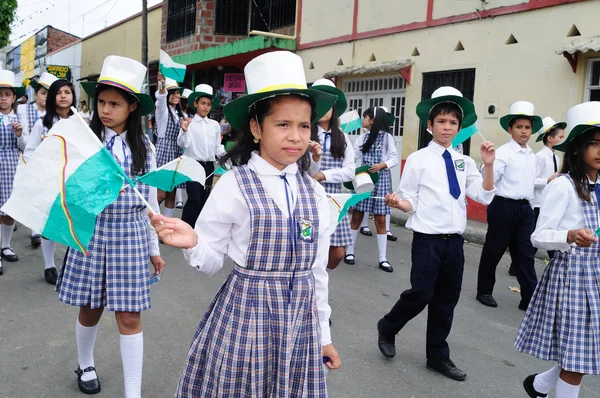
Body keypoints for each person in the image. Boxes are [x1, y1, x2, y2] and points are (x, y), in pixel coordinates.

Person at [150, 50, 341, 397]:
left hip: (299, 326)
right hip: (246, 318)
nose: (296, 137)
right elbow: (211, 261)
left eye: (303, 125)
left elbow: (317, 272)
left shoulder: (314, 192)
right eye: (282, 124)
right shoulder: (235, 184)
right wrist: (192, 242)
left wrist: (323, 337)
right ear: (256, 127)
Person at [56, 56, 164, 397]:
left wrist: (154, 248)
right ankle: (85, 362)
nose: (106, 109)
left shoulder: (145, 147)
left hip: (131, 233)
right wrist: (99, 187)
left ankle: (133, 392)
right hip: (94, 230)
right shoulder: (86, 140)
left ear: (132, 107)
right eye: (102, 102)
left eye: (115, 104)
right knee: (90, 307)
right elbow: (69, 189)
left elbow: (151, 202)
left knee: (130, 316)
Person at [376, 86, 496, 381]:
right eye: (441, 121)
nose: (447, 127)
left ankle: (437, 356)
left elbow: (484, 196)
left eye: (453, 122)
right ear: (430, 126)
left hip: (454, 242)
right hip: (428, 240)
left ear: (459, 126)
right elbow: (410, 200)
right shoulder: (418, 159)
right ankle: (388, 326)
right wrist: (398, 203)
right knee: (421, 293)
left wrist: (489, 167)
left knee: (446, 300)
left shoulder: (464, 161)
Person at [515, 102, 600, 398]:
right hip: (573, 278)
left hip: (597, 277)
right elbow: (538, 237)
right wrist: (570, 235)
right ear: (577, 149)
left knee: (587, 353)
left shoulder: (599, 185)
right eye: (594, 143)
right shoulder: (563, 186)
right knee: (578, 360)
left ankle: (537, 386)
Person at [476, 101, 543, 310]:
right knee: (494, 250)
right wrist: (486, 166)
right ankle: (484, 291)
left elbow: (531, 182)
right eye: (519, 127)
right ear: (510, 129)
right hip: (503, 206)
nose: (524, 131)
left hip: (525, 209)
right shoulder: (503, 153)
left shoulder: (532, 155)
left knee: (525, 253)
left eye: (527, 127)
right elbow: (490, 179)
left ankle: (529, 297)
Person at [24, 78, 76, 285]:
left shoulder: (81, 123)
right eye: (58, 92)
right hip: (49, 181)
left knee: (71, 222)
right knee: (49, 223)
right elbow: (29, 152)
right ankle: (49, 265)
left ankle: (71, 264)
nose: (63, 96)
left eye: (67, 92)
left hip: (73, 181)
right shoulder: (42, 123)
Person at [308, 78, 355, 270]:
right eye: (317, 103)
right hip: (309, 197)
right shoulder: (304, 132)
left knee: (337, 253)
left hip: (335, 200)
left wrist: (323, 175)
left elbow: (350, 171)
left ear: (334, 107)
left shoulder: (342, 137)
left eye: (327, 103)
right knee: (310, 247)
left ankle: (317, 276)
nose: (322, 108)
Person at [344, 106, 398, 272]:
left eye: (365, 117)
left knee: (381, 219)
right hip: (364, 179)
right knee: (357, 217)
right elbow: (353, 157)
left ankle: (383, 259)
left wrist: (383, 164)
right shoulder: (362, 138)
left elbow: (394, 158)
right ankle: (350, 252)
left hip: (381, 180)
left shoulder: (387, 138)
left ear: (373, 120)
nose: (363, 120)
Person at [17, 72, 57, 248]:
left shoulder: (54, 116)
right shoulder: (23, 110)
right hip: (25, 156)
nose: (46, 97)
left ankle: (36, 232)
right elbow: (25, 138)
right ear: (35, 94)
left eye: (50, 93)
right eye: (43, 92)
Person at [178, 83, 225, 227]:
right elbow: (182, 144)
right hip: (193, 165)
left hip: (209, 167)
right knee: (194, 199)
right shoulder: (189, 123)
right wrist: (185, 130)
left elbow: (218, 147)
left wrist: (227, 156)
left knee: (205, 199)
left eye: (209, 104)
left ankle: (197, 230)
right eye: (203, 103)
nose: (205, 107)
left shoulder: (215, 125)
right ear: (195, 104)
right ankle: (184, 226)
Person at [0, 70, 26, 274]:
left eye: (7, 94)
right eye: (0, 94)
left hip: (11, 166)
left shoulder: (19, 118)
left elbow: (26, 147)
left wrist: (19, 135)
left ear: (13, 97)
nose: (3, 98)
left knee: (10, 209)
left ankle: (5, 246)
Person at [532, 117, 565, 259]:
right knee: (539, 234)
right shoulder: (539, 157)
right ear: (550, 138)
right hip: (538, 203)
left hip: (550, 202)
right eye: (560, 137)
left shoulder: (556, 158)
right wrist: (547, 180)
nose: (563, 139)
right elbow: (531, 180)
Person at [154, 75, 184, 219]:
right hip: (164, 152)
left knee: (172, 193)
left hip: (176, 153)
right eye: (173, 93)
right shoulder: (163, 111)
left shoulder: (179, 114)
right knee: (161, 193)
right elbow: (160, 99)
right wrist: (162, 85)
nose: (176, 95)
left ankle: (166, 226)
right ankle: (147, 220)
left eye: (178, 93)